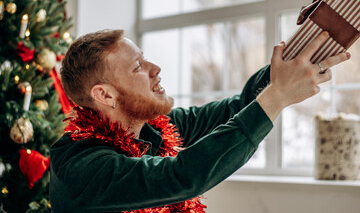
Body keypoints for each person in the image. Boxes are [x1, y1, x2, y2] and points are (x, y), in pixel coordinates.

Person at [49, 29, 350, 212]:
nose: (156, 69)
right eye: (138, 67)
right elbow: (181, 175)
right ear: (105, 94)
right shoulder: (81, 164)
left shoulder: (157, 128)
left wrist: (303, 47)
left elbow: (238, 108)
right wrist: (278, 97)